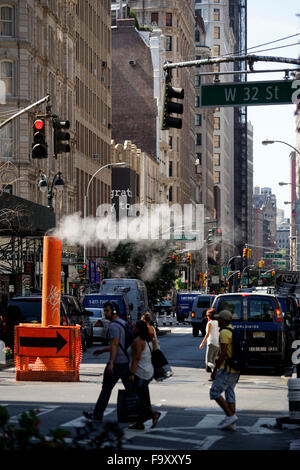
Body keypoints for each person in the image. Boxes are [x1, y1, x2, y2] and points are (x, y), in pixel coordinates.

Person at [83, 301, 131, 422]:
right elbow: (120, 344)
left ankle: (97, 414)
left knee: (106, 389)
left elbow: (115, 344)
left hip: (117, 363)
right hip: (126, 362)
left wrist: (111, 362)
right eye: (104, 311)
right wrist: (103, 350)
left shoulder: (114, 326)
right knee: (131, 389)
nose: (104, 313)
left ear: (114, 311)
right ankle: (137, 412)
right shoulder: (123, 323)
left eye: (107, 311)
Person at [127, 320, 161, 430]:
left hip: (141, 373)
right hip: (147, 371)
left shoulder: (138, 341)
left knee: (140, 399)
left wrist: (131, 373)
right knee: (143, 398)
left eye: (134, 327)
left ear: (138, 329)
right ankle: (140, 422)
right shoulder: (145, 340)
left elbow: (136, 359)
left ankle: (153, 414)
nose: (133, 329)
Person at [209, 310, 240, 430]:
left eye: (218, 319)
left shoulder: (224, 333)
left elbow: (222, 354)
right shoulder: (232, 329)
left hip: (227, 368)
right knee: (230, 392)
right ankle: (231, 423)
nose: (217, 321)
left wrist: (215, 370)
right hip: (235, 368)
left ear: (223, 320)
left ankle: (230, 416)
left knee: (214, 392)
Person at [199, 308, 220, 376]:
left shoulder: (209, 323)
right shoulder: (218, 322)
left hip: (211, 343)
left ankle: (216, 370)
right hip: (217, 344)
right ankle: (213, 375)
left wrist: (202, 343)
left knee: (208, 362)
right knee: (213, 361)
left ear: (208, 316)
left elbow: (207, 334)